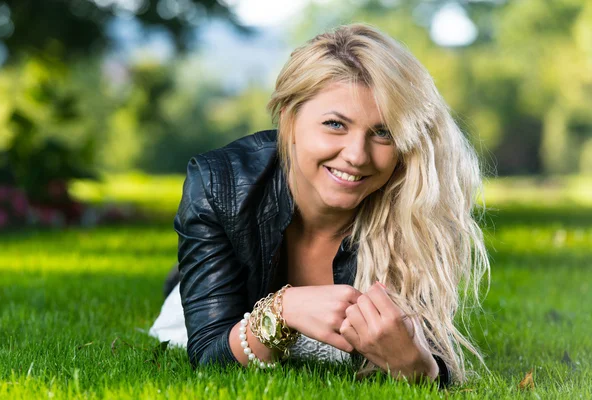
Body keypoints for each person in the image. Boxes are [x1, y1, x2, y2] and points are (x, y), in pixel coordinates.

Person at [149, 23, 490, 387]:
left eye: (382, 132)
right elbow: (208, 355)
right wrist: (282, 311)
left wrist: (421, 371)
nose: (357, 156)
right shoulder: (219, 185)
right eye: (335, 124)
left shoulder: (415, 206)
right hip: (232, 290)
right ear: (289, 119)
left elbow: (431, 360)